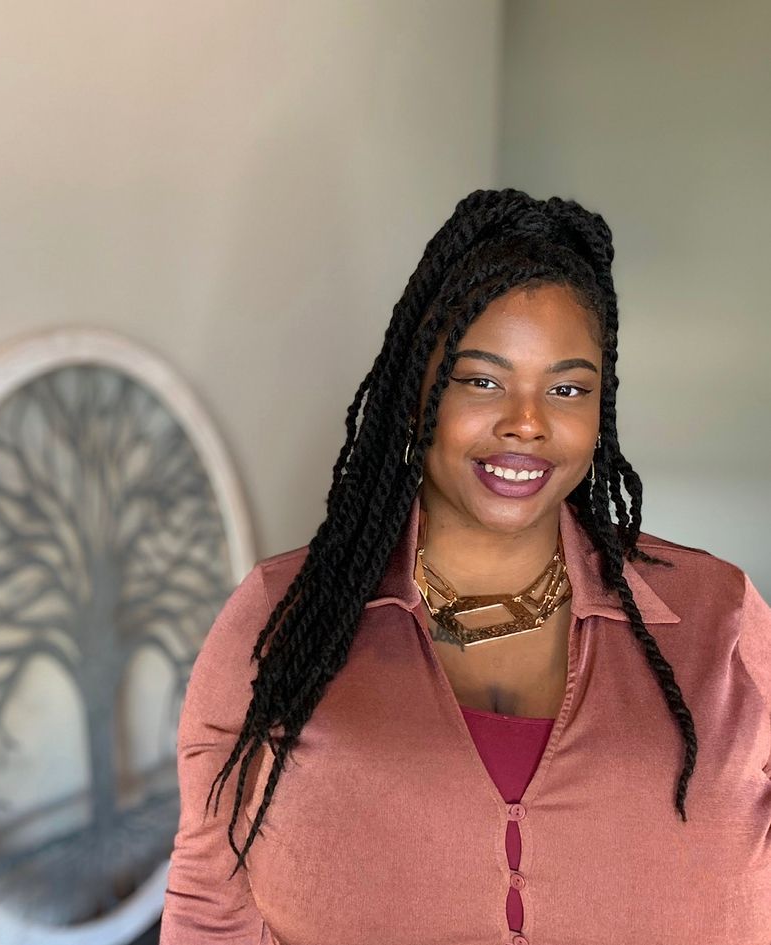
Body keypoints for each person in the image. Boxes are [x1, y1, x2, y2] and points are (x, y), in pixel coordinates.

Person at [159, 189, 771, 945]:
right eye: (481, 379)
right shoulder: (280, 617)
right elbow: (209, 906)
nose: (527, 420)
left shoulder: (721, 618)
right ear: (419, 390)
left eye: (568, 388)